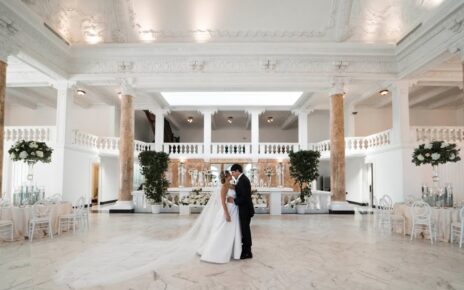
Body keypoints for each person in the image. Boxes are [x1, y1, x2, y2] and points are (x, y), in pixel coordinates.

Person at [200, 170, 241, 263]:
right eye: (230, 174)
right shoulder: (224, 187)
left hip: (234, 209)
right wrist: (226, 214)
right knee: (223, 230)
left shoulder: (231, 184)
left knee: (232, 230)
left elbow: (237, 192)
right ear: (226, 176)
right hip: (228, 209)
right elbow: (223, 202)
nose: (231, 175)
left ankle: (232, 251)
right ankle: (215, 252)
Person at [229, 163, 254, 259]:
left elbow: (244, 197)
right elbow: (241, 191)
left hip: (245, 209)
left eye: (233, 172)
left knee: (245, 230)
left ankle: (247, 252)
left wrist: (234, 200)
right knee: (244, 230)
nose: (232, 174)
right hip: (244, 209)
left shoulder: (243, 180)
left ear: (237, 171)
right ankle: (246, 250)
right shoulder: (242, 179)